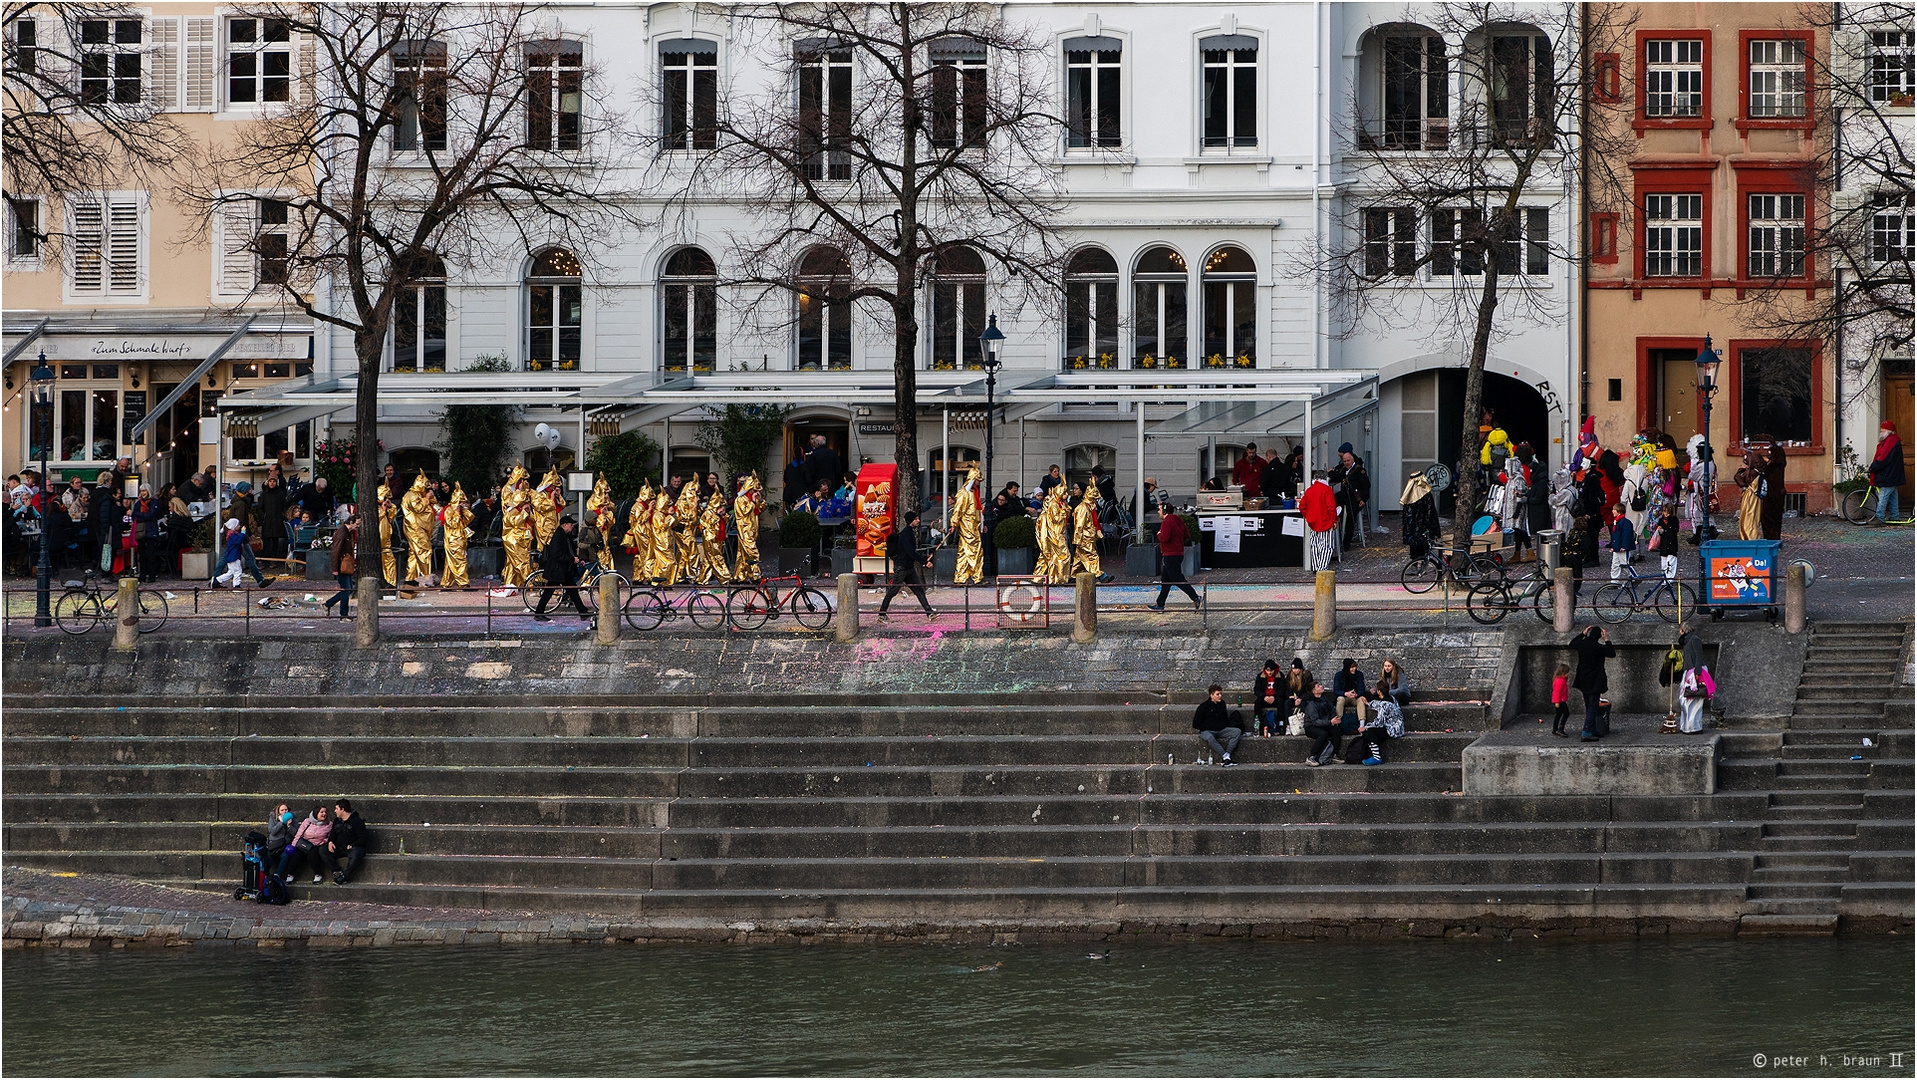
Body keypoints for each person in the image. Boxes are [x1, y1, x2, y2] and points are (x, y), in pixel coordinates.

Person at [878, 510, 935, 620]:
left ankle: (929, 612)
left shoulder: (909, 532)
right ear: (911, 521)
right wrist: (925, 561)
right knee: (893, 591)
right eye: (916, 519)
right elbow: (910, 552)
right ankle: (881, 614)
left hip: (908, 567)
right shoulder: (906, 534)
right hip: (902, 568)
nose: (918, 521)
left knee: (918, 590)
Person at [1147, 498, 1201, 611]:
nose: (1158, 511)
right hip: (1178, 553)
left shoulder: (1167, 522)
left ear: (1165, 512)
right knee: (1165, 581)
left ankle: (1195, 597)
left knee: (1177, 578)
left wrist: (1158, 534)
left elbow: (1164, 538)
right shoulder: (1178, 520)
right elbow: (1187, 535)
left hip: (1170, 554)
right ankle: (1160, 604)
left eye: (1159, 509)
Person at [534, 515, 590, 622]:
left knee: (572, 591)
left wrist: (578, 558)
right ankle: (539, 613)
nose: (572, 526)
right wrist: (571, 559)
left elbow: (570, 551)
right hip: (557, 570)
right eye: (570, 525)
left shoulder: (565, 535)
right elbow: (556, 554)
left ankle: (583, 612)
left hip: (563, 570)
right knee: (549, 592)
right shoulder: (558, 536)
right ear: (564, 525)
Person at [1571, 625, 1616, 741]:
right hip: (1595, 680)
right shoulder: (1598, 647)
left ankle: (1592, 728)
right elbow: (1612, 653)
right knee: (1593, 706)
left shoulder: (1582, 644)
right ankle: (1586, 731)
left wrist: (1583, 633)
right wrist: (1606, 639)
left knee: (1589, 705)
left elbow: (1572, 643)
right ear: (1599, 636)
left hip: (1583, 679)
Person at [1348, 682, 1405, 765]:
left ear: (1379, 691)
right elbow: (1379, 704)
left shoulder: (1384, 705)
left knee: (1369, 732)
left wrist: (1365, 727)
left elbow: (1379, 722)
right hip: (1399, 727)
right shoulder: (1392, 698)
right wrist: (1368, 703)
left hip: (1392, 729)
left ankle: (1376, 757)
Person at [275, 804, 334, 883]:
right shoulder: (307, 821)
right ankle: (290, 875)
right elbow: (299, 834)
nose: (324, 814)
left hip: (317, 844)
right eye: (321, 812)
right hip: (305, 843)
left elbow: (331, 836)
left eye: (325, 812)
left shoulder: (329, 824)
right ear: (316, 813)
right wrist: (293, 845)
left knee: (312, 855)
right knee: (296, 855)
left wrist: (325, 840)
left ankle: (318, 874)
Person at [1328, 443, 1370, 547]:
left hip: (1354, 498)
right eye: (1344, 461)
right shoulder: (1344, 470)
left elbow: (1366, 485)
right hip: (1344, 496)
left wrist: (1363, 499)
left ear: (1352, 460)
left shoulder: (1359, 470)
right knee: (1331, 503)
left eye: (1348, 461)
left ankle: (1346, 542)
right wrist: (1330, 474)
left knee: (1350, 517)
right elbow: (1337, 478)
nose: (1346, 463)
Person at [1676, 624, 1715, 734]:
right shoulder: (1690, 640)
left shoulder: (1694, 640)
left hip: (1694, 671)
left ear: (1683, 630)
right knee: (1688, 699)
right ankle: (1689, 726)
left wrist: (1697, 672)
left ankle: (1693, 726)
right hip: (1690, 671)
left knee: (1693, 699)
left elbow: (1699, 656)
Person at [1191, 684, 1240, 765]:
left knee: (1237, 732)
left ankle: (1227, 754)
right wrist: (1209, 726)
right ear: (1211, 695)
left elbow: (1225, 718)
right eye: (1217, 694)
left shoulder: (1222, 704)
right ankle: (1224, 756)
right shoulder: (1203, 707)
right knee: (1209, 737)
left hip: (1220, 729)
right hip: (1207, 730)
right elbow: (1196, 724)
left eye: (1221, 694)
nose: (1220, 696)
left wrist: (1223, 725)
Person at [324, 506, 358, 620]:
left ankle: (329, 604)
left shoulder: (346, 532)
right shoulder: (342, 533)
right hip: (341, 565)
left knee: (347, 589)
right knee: (346, 589)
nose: (358, 526)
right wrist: (335, 568)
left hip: (344, 565)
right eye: (357, 524)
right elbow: (335, 551)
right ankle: (343, 615)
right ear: (351, 522)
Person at [1300, 470, 1339, 571]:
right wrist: (1334, 521)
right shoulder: (1327, 490)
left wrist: (1307, 516)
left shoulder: (1309, 490)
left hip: (1313, 521)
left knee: (1315, 545)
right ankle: (1322, 567)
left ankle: (1316, 566)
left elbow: (1302, 506)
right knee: (1327, 546)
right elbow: (1331, 507)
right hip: (1326, 521)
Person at [327, 798, 373, 885]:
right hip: (339, 848)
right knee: (322, 850)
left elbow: (363, 837)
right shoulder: (337, 821)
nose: (334, 811)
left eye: (336, 808)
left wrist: (352, 845)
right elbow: (332, 834)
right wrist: (330, 842)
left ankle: (345, 876)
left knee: (356, 853)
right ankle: (337, 871)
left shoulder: (357, 821)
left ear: (342, 809)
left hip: (352, 848)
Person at [1868, 421, 1905, 524]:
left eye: (1883, 429)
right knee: (1893, 496)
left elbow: (1883, 458)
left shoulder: (1890, 442)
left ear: (1888, 431)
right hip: (1893, 474)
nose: (1881, 430)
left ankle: (1879, 517)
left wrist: (1873, 467)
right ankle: (1894, 516)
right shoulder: (1893, 440)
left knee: (1883, 497)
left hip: (1887, 475)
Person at [1301, 680, 1340, 766]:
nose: (1321, 686)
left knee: (1336, 730)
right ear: (1314, 691)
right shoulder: (1311, 704)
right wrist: (1330, 722)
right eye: (1318, 686)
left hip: (1324, 723)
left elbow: (1331, 709)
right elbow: (1315, 721)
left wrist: (1333, 718)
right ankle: (1311, 757)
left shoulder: (1323, 698)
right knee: (1323, 734)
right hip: (1311, 727)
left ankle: (1334, 755)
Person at [1759, 442, 1787, 542]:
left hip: (1772, 495)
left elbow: (1767, 473)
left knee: (1768, 517)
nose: (1768, 454)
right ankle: (1774, 536)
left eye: (1770, 452)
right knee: (1775, 518)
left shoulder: (1774, 466)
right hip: (1776, 493)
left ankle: (1771, 537)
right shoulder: (1778, 464)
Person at [1331, 657, 1369, 727]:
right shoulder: (1339, 675)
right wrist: (1345, 693)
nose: (1354, 669)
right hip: (1344, 697)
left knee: (1361, 699)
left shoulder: (1359, 674)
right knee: (1340, 699)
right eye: (1352, 667)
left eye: (1355, 667)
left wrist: (1356, 694)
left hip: (1354, 697)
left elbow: (1362, 689)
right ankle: (1338, 721)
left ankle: (1362, 724)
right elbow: (1336, 691)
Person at [1252, 659, 1283, 736]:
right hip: (1264, 697)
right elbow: (1257, 689)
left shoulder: (1280, 676)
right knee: (1257, 703)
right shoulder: (1260, 676)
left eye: (1271, 671)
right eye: (1267, 670)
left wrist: (1274, 696)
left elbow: (1282, 689)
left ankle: (1281, 724)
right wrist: (1263, 697)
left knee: (1281, 702)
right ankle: (1259, 726)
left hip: (1275, 698)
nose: (1269, 673)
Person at [215, 518, 248, 587]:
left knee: (231, 572)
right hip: (234, 556)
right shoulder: (232, 535)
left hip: (232, 555)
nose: (239, 526)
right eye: (238, 525)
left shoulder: (231, 534)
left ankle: (217, 581)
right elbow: (238, 541)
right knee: (237, 571)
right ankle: (236, 586)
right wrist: (243, 533)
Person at [266, 802, 296, 868]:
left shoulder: (293, 818)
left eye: (286, 810)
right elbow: (272, 831)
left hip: (285, 844)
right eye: (282, 810)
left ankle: (277, 874)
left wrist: (289, 826)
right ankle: (266, 873)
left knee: (286, 855)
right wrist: (281, 823)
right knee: (269, 855)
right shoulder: (273, 818)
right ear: (278, 812)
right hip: (275, 843)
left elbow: (295, 834)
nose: (284, 812)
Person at [1550, 661, 1572, 737]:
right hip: (1560, 701)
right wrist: (1557, 702)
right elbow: (1557, 692)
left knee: (1558, 714)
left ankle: (1555, 729)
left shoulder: (1559, 680)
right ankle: (1560, 728)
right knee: (1566, 713)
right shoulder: (1561, 681)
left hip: (1558, 700)